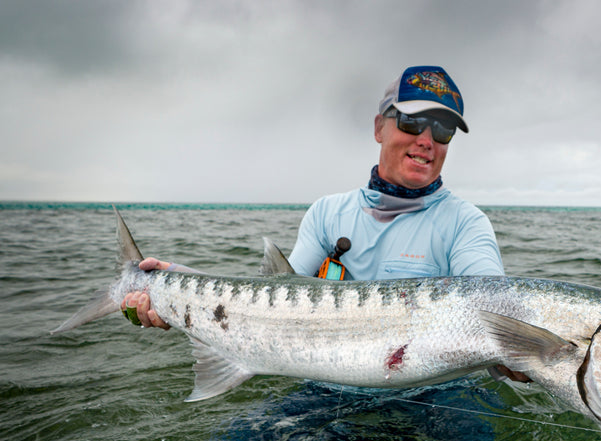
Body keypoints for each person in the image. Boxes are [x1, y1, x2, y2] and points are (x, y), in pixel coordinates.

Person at [120, 65, 528, 382]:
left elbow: (494, 311)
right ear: (378, 128)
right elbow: (272, 301)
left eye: (443, 130)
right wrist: (173, 286)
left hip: (436, 399)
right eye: (411, 122)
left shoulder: (467, 224)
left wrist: (520, 353)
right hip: (326, 394)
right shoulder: (326, 212)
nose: (427, 139)